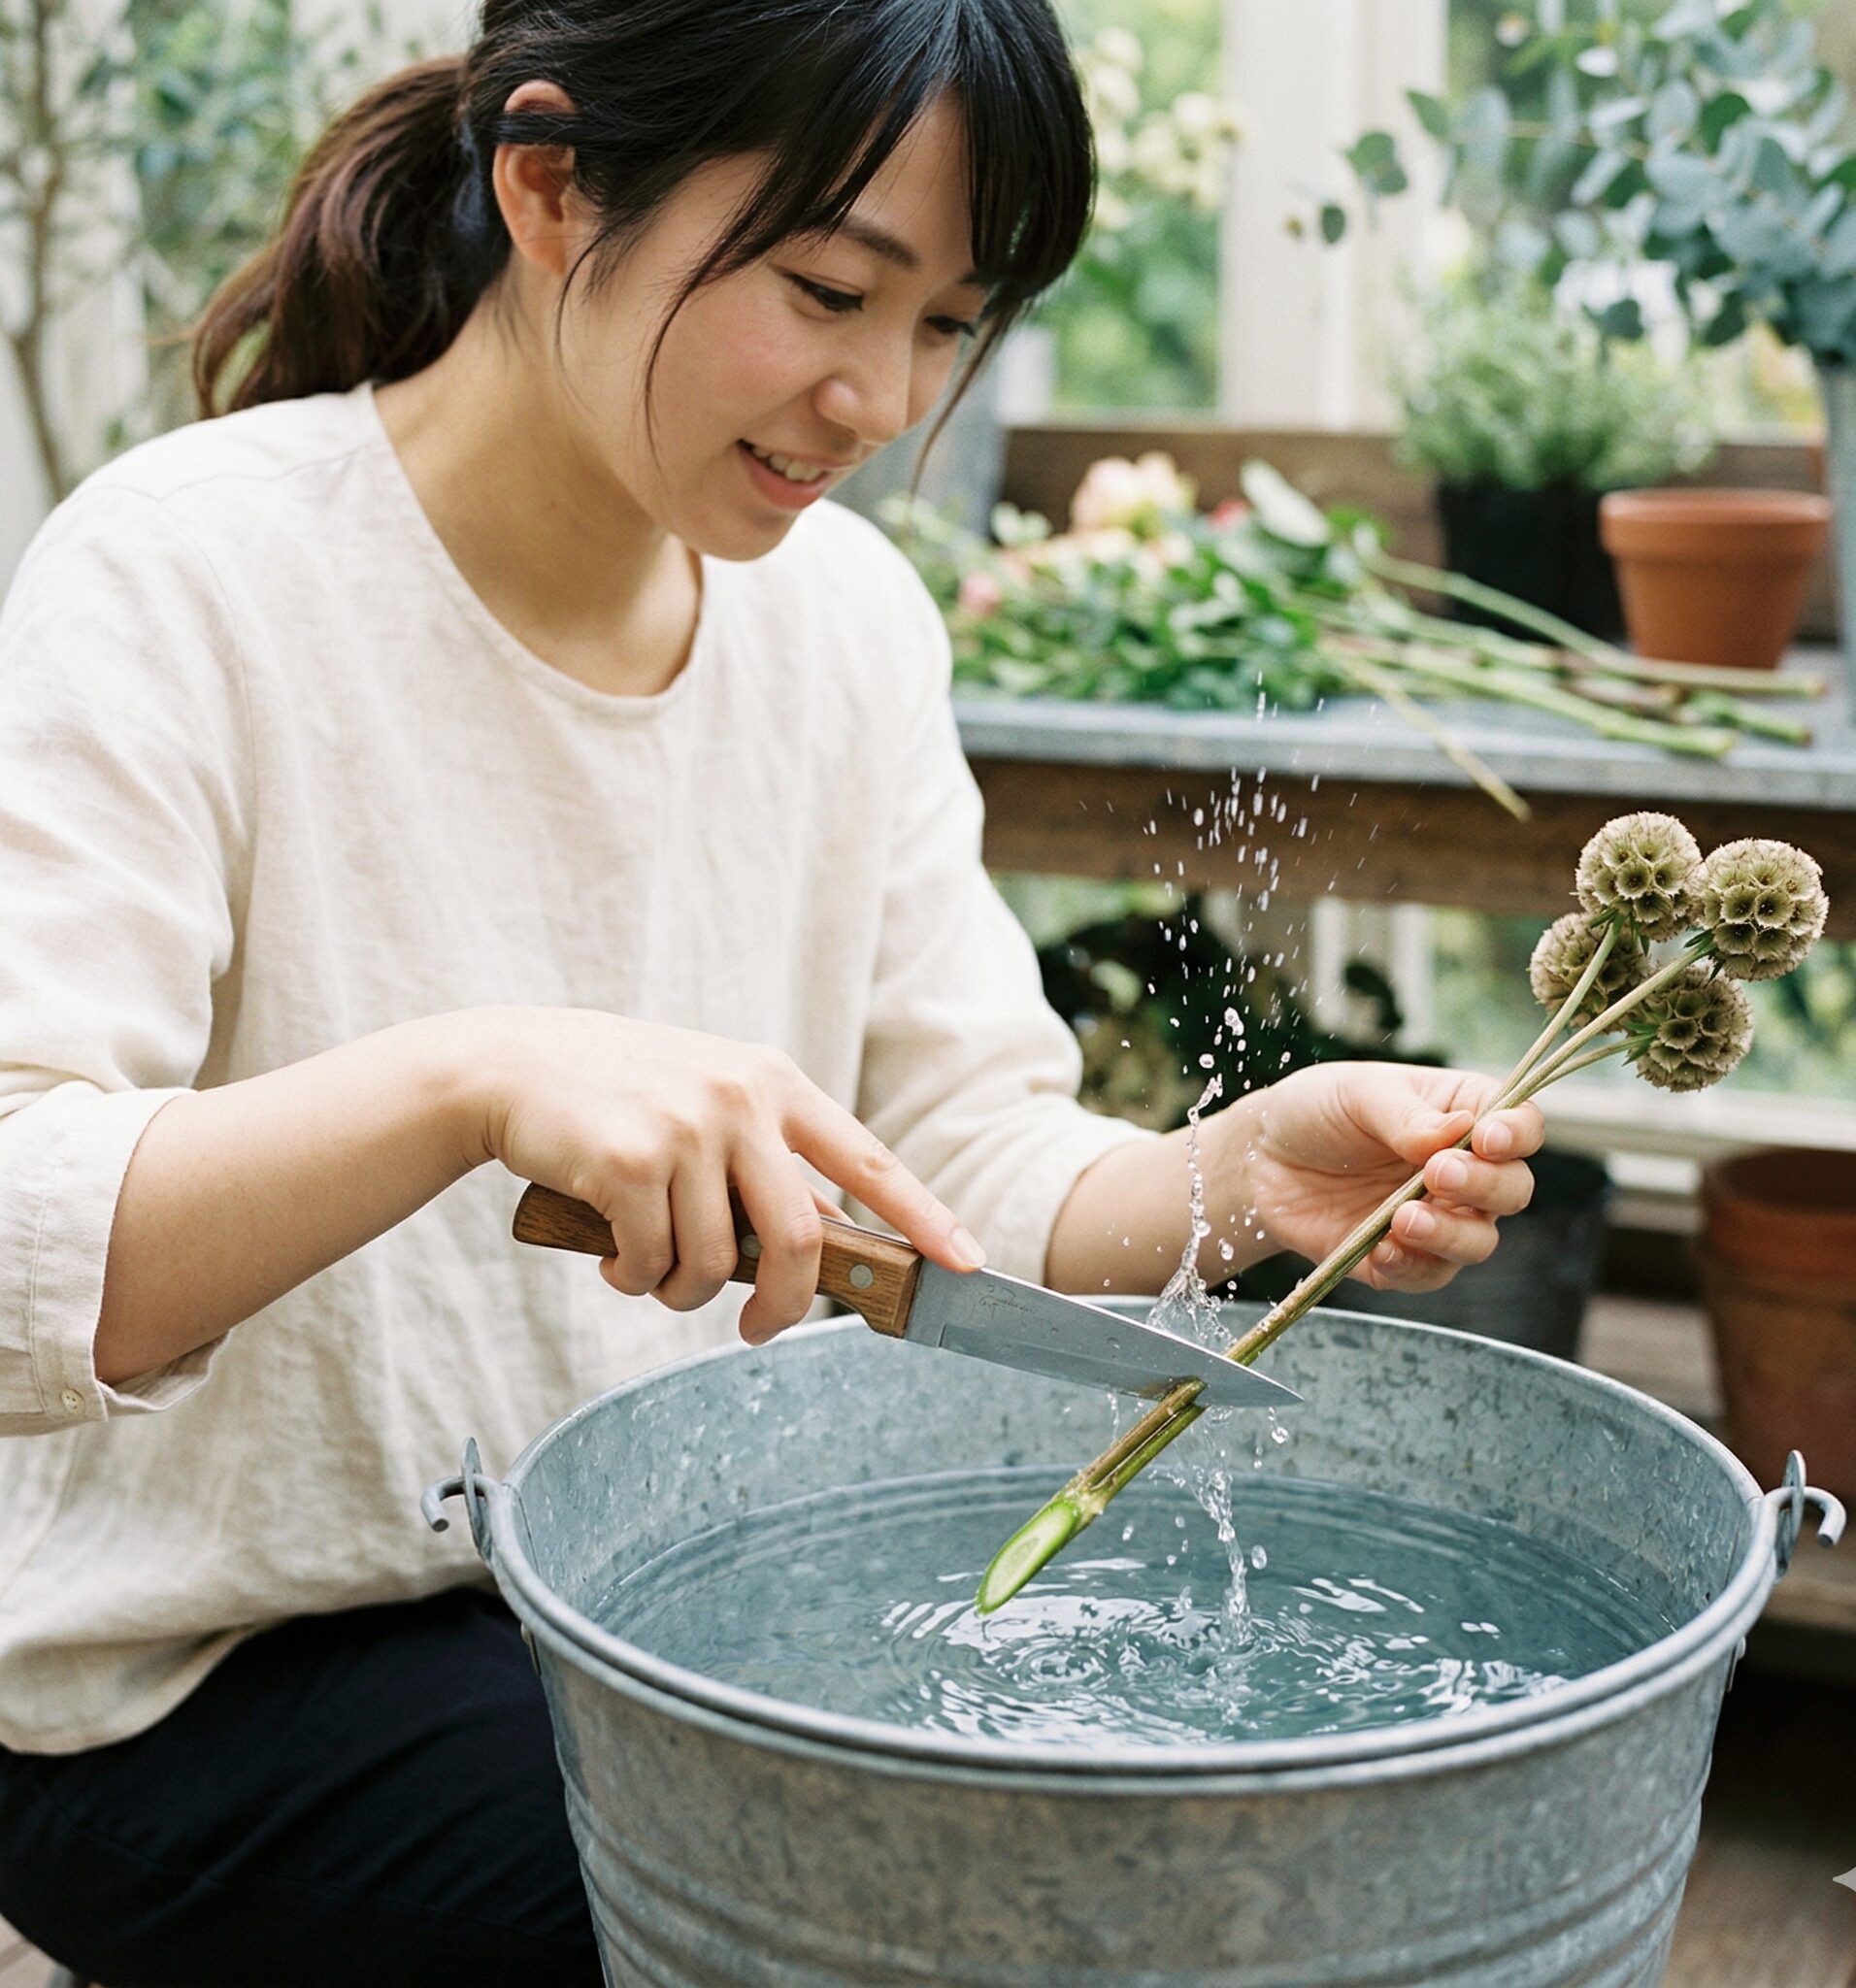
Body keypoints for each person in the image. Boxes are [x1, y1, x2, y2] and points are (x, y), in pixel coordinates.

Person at [0, 1, 1543, 1980]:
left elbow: (963, 1150)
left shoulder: (841, 627)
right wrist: (471, 1077)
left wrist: (1235, 1177)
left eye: (946, 324)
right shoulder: (187, 576)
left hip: (649, 1597)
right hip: (192, 1671)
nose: (879, 399)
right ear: (551, 184)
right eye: (830, 289)